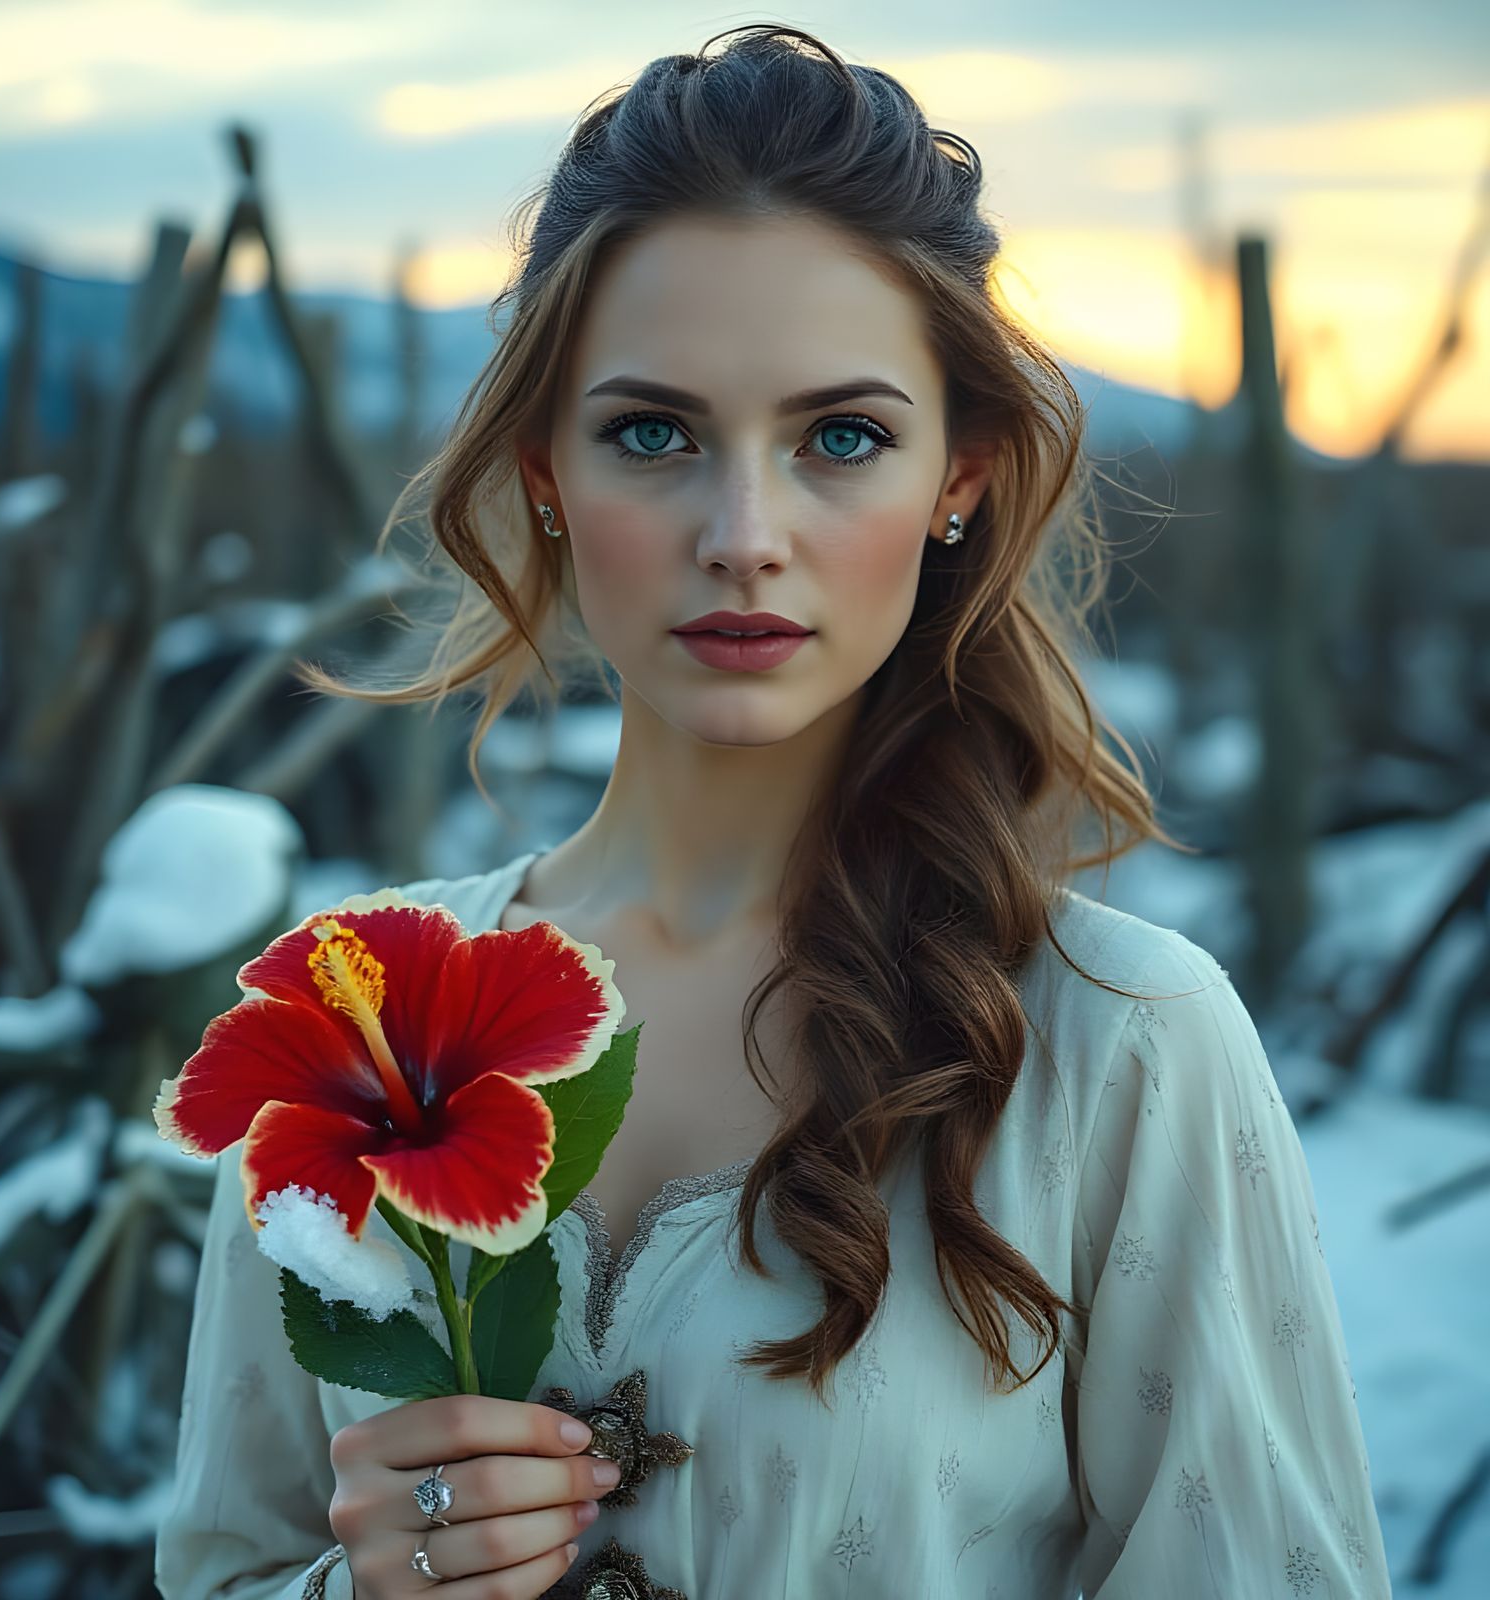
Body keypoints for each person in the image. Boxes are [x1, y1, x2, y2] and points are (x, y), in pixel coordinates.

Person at [154, 22, 1391, 1600]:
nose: (745, 535)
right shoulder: (349, 1020)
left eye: (843, 438)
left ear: (963, 478)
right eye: (652, 434)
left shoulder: (1122, 1043)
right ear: (543, 469)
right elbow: (223, 1569)